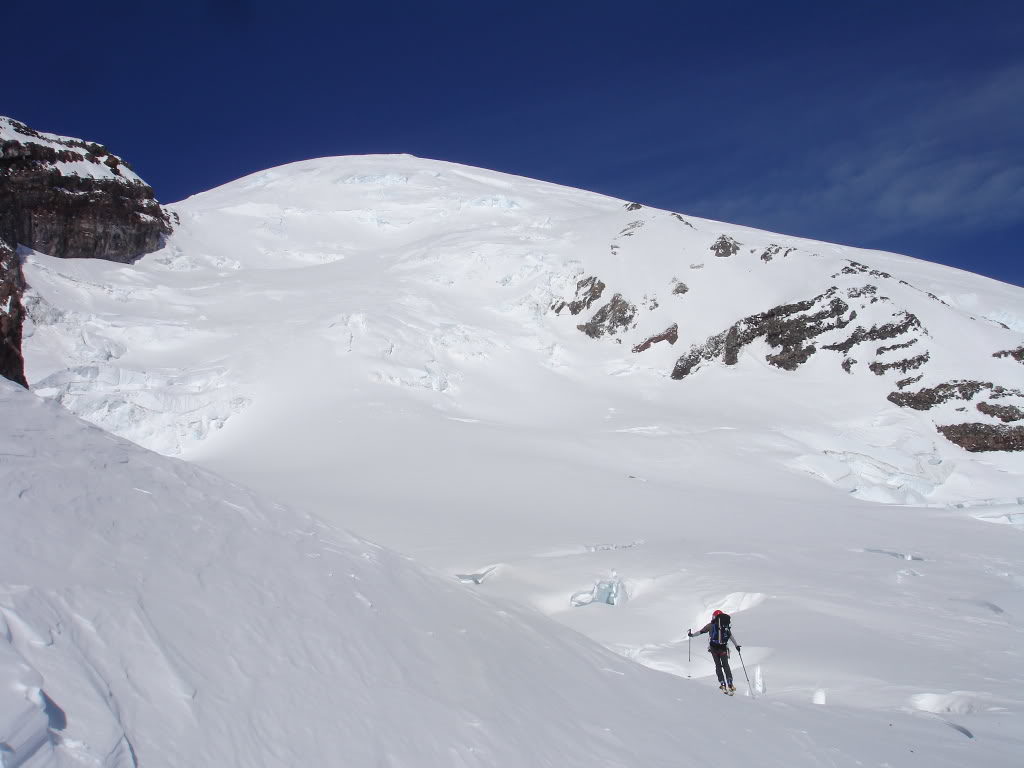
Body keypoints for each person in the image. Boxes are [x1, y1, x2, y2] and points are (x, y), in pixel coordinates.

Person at [688, 610, 741, 694]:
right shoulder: (725, 626)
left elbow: (701, 632)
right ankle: (730, 683)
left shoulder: (710, 625)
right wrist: (736, 645)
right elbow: (730, 636)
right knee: (726, 665)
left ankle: (722, 683)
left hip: (714, 649)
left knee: (718, 666)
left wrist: (692, 635)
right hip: (723, 648)